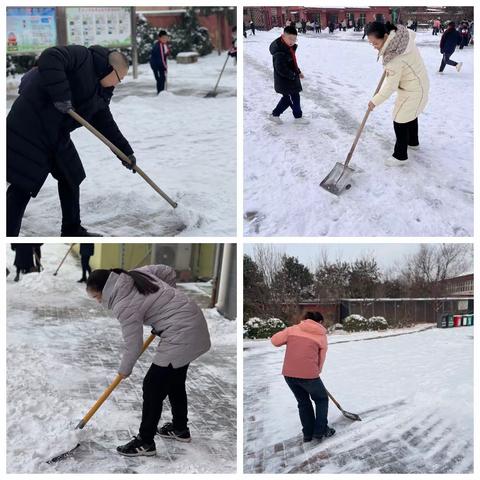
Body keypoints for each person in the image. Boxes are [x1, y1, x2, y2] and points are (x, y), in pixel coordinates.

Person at [7, 45, 135, 237]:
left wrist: (124, 152)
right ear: (110, 69)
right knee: (22, 186)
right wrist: (61, 96)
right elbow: (50, 56)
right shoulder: (83, 57)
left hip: (56, 134)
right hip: (30, 126)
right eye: (119, 79)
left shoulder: (101, 93)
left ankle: (72, 229)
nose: (117, 84)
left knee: (71, 176)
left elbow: (105, 123)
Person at [86, 264, 211, 456]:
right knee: (175, 381)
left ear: (106, 289)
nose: (97, 301)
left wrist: (124, 370)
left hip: (181, 334)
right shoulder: (135, 274)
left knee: (152, 386)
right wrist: (169, 303)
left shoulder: (123, 304)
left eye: (96, 297)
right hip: (191, 321)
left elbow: (133, 345)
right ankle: (180, 429)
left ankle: (145, 442)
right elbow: (167, 271)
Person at [366, 22, 429, 167]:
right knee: (409, 114)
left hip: (413, 89)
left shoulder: (394, 57)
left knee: (399, 119)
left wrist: (374, 101)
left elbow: (390, 86)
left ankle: (400, 156)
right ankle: (413, 142)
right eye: (371, 43)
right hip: (416, 83)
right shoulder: (402, 38)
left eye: (375, 42)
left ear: (386, 36)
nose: (374, 46)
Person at [271, 312, 334, 443]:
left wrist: (288, 332)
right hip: (309, 374)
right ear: (320, 322)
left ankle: (308, 433)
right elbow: (321, 359)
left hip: (289, 374)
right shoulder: (321, 336)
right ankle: (321, 430)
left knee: (303, 402)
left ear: (305, 319)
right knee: (321, 399)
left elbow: (274, 341)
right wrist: (316, 372)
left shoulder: (292, 330)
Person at [268, 25, 309, 125]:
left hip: (289, 80)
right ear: (283, 36)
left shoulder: (288, 48)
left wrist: (298, 72)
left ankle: (275, 115)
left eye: (294, 39)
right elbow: (280, 68)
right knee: (294, 99)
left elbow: (292, 63)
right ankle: (298, 117)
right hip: (285, 81)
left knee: (288, 99)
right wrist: (292, 75)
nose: (292, 41)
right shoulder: (280, 52)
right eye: (290, 39)